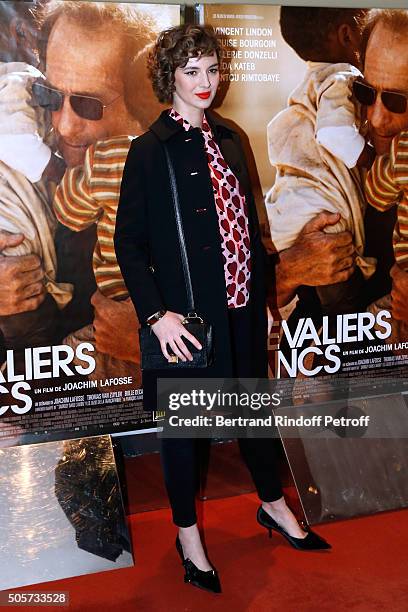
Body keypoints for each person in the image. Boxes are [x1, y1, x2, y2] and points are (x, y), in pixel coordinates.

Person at [114, 24, 330, 594]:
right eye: (191, 71)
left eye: (211, 69)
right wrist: (157, 315)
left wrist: (261, 301)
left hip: (239, 312)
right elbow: (128, 245)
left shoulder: (232, 138)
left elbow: (249, 232)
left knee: (253, 417)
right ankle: (188, 538)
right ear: (170, 78)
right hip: (188, 323)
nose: (204, 82)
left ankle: (273, 506)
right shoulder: (149, 152)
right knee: (185, 435)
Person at [0, 1, 160, 371]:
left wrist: (151, 347)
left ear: (141, 98)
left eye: (89, 105)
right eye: (51, 96)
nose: (65, 126)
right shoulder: (19, 136)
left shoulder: (190, 174)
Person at [272, 8, 408, 347]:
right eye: (364, 92)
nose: (376, 119)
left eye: (396, 100)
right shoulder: (328, 167)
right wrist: (288, 273)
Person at [266, 7, 376, 318]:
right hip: (324, 220)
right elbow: (335, 134)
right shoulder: (342, 76)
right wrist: (371, 157)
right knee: (343, 304)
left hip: (293, 213)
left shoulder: (310, 81)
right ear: (347, 34)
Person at [0, 1, 72, 355]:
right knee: (31, 327)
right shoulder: (18, 79)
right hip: (14, 236)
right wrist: (64, 172)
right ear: (24, 34)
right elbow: (16, 143)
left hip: (24, 246)